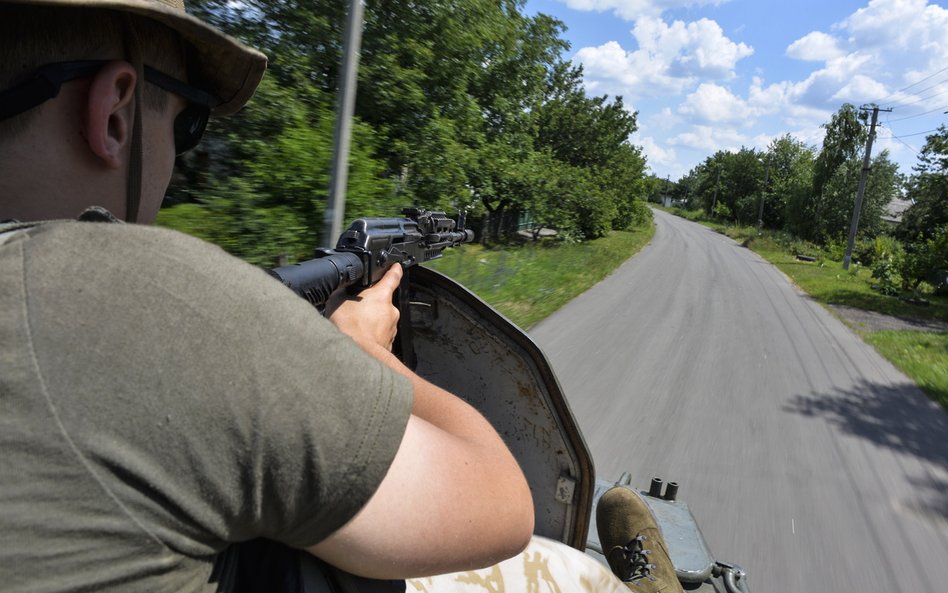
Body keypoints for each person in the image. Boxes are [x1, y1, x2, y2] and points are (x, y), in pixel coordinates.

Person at [0, 1, 683, 592]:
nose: (181, 160)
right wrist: (364, 353)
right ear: (116, 112)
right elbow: (503, 505)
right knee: (571, 572)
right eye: (188, 125)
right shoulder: (144, 298)